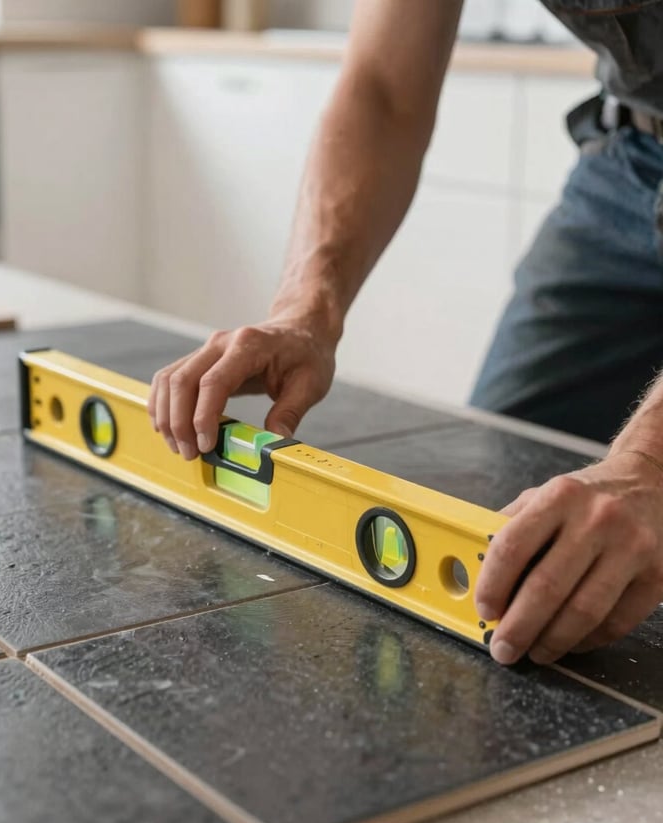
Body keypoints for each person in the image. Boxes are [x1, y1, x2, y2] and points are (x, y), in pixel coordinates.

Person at [148, 0, 663, 667]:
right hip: (628, 156)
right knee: (501, 519)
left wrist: (650, 467)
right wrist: (304, 309)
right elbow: (383, 89)